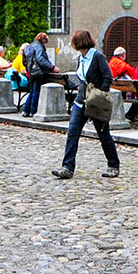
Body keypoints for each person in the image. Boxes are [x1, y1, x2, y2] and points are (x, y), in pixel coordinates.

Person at [52, 29, 120, 179]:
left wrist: (100, 95)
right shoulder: (80, 58)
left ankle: (113, 165)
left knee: (103, 134)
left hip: (95, 102)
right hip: (80, 102)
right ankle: (67, 167)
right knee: (73, 133)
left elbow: (107, 77)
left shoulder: (97, 57)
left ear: (78, 42)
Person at [20, 31, 59, 116]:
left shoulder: (29, 46)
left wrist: (28, 68)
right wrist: (52, 67)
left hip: (30, 72)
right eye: (46, 40)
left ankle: (26, 110)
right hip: (38, 72)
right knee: (36, 91)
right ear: (42, 40)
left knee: (32, 91)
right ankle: (33, 111)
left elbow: (24, 61)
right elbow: (40, 59)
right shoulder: (39, 47)